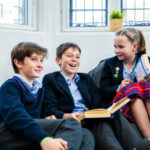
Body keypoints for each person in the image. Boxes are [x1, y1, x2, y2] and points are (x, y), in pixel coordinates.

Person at [41, 42, 143, 150]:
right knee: (101, 125)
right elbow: (49, 108)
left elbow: (98, 102)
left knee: (113, 114)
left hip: (90, 118)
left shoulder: (85, 79)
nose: (74, 59)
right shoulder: (51, 79)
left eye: (77, 57)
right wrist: (68, 115)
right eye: (69, 56)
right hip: (71, 121)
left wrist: (106, 111)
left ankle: (138, 146)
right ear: (58, 60)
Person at [0, 42, 95, 150]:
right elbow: (16, 117)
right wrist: (44, 138)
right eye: (34, 59)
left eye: (41, 60)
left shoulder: (38, 90)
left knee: (86, 134)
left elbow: (37, 116)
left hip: (29, 129)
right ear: (18, 63)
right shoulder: (10, 86)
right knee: (71, 123)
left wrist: (47, 118)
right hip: (8, 132)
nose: (40, 65)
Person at [100, 27, 150, 139]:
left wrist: (145, 82)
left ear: (134, 46)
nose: (116, 50)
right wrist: (119, 87)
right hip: (121, 102)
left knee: (146, 87)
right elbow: (103, 91)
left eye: (121, 47)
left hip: (144, 101)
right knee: (132, 91)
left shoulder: (146, 61)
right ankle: (149, 138)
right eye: (115, 46)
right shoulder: (110, 64)